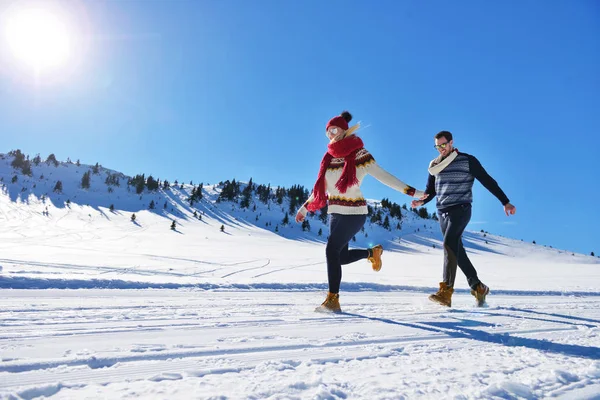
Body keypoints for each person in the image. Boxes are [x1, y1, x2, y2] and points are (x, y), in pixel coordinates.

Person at [296, 111, 425, 313]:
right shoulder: (328, 159)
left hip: (355, 213)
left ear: (344, 130)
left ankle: (333, 300)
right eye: (328, 131)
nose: (331, 134)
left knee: (331, 250)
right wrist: (304, 208)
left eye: (334, 129)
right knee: (340, 257)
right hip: (335, 213)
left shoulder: (359, 155)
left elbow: (383, 176)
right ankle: (372, 253)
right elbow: (320, 189)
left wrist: (410, 191)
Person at [411, 130, 516, 307]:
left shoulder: (467, 160)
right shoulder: (434, 165)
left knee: (448, 244)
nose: (441, 149)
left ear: (451, 143)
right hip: (442, 212)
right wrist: (421, 202)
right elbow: (431, 190)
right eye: (437, 146)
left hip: (461, 209)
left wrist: (505, 201)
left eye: (443, 145)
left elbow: (487, 180)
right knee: (456, 251)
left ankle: (446, 291)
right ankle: (478, 286)